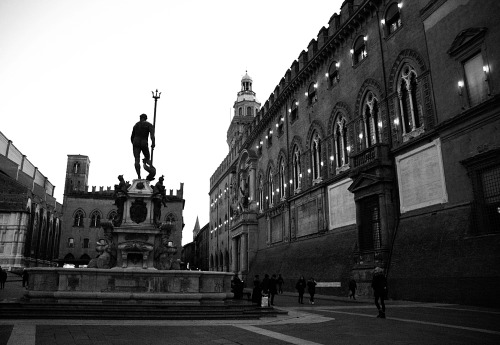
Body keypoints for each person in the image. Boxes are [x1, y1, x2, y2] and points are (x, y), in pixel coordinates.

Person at [131, 113, 156, 180]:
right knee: (147, 157)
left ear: (140, 118)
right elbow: (152, 136)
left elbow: (132, 137)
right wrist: (153, 143)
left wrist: (134, 144)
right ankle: (148, 168)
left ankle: (139, 176)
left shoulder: (136, 125)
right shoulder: (149, 125)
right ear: (146, 118)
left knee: (136, 160)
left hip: (135, 142)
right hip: (143, 142)